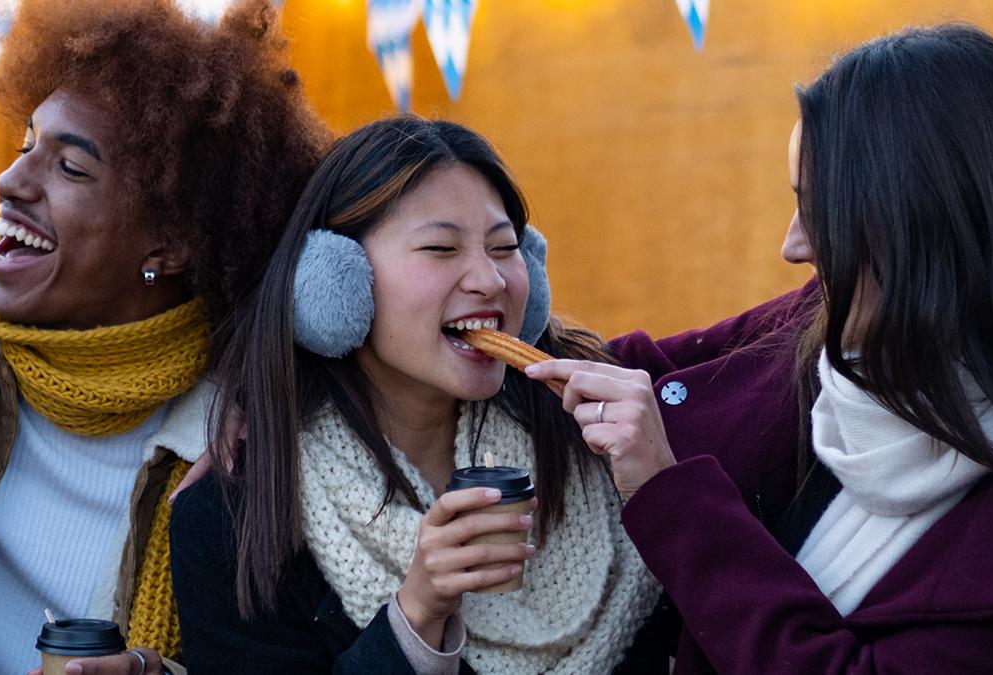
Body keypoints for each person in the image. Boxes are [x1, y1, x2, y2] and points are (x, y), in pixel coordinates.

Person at [527, 24, 993, 673]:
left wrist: (669, 492)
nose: (794, 246)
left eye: (819, 211)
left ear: (918, 228)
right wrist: (507, 284)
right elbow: (653, 370)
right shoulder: (847, 324)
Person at [169, 116, 663, 673]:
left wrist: (662, 491)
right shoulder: (237, 517)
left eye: (503, 248)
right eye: (440, 248)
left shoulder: (590, 443)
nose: (491, 280)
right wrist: (419, 613)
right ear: (337, 284)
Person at [0, 0, 330, 672]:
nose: (9, 181)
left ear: (171, 242)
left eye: (70, 168)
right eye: (28, 144)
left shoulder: (253, 416)